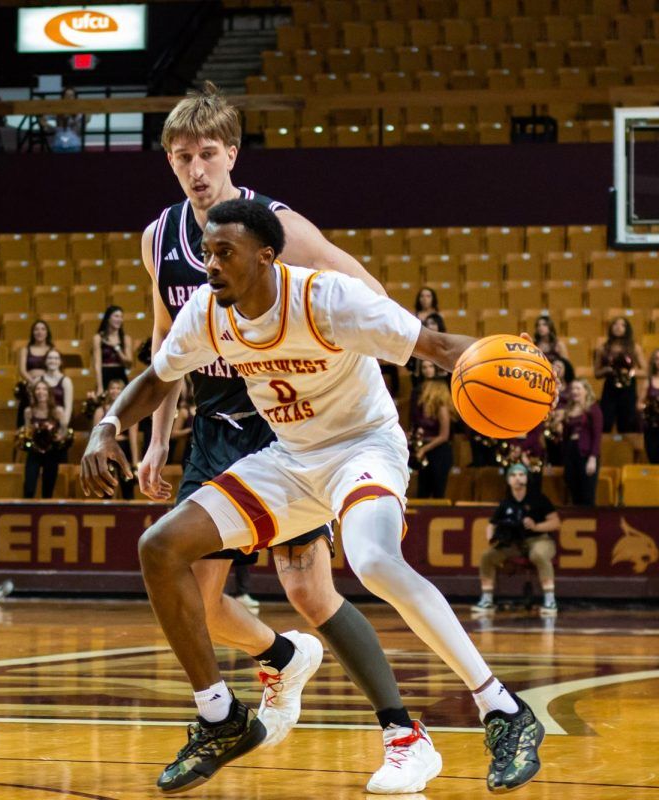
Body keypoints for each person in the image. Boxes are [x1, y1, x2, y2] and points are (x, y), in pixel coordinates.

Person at [83, 200, 543, 795]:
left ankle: (503, 710)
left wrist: (516, 370)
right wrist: (107, 427)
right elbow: (159, 377)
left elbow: (439, 348)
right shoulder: (207, 313)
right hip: (292, 459)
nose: (210, 265)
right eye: (206, 252)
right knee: (160, 546)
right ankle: (220, 716)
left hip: (363, 448)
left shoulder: (328, 300)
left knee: (374, 561)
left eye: (225, 253)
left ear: (267, 256)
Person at [134, 85, 439, 793]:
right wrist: (155, 438)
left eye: (209, 153)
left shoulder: (277, 225)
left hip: (287, 418)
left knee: (307, 586)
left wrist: (368, 391)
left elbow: (359, 287)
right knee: (200, 601)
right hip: (213, 422)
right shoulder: (159, 237)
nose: (197, 168)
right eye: (183, 156)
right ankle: (282, 657)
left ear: (232, 153)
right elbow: (160, 341)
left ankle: (400, 729)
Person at [472, 464, 560, 617]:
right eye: (513, 475)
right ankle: (486, 600)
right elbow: (491, 525)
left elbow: (556, 522)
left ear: (526, 478)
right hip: (515, 542)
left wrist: (536, 526)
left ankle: (550, 600)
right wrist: (491, 537)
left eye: (521, 474)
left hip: (539, 539)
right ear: (508, 480)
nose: (517, 478)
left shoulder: (538, 498)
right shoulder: (506, 503)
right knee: (488, 556)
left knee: (538, 555)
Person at [594, 316, 645, 433]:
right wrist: (607, 370)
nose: (618, 327)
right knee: (605, 423)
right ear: (611, 328)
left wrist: (630, 372)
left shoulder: (634, 347)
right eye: (615, 324)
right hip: (610, 388)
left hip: (628, 388)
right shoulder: (603, 348)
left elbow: (645, 371)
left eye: (622, 325)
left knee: (627, 424)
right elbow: (596, 373)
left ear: (627, 329)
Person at [410, 361, 453, 499]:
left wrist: (423, 449)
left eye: (430, 367)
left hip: (438, 451)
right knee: (422, 493)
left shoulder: (440, 399)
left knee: (438, 494)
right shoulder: (417, 393)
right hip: (424, 447)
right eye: (424, 367)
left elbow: (444, 436)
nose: (427, 370)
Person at [21, 380, 69, 499]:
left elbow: (65, 431)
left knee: (47, 491)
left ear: (48, 393)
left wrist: (60, 437)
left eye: (44, 389)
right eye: (38, 389)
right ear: (34, 392)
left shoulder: (57, 411)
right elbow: (27, 431)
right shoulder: (28, 411)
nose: (40, 392)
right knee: (29, 488)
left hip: (51, 452)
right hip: (34, 452)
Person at [92, 377, 138, 499]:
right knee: (106, 488)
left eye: (118, 388)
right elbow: (95, 437)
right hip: (105, 449)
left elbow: (133, 438)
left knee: (128, 488)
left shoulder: (130, 411)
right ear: (108, 391)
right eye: (112, 388)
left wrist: (134, 463)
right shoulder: (100, 411)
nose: (115, 391)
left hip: (124, 448)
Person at [562, 379, 602, 506]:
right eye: (573, 389)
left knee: (587, 494)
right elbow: (565, 435)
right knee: (574, 491)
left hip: (586, 453)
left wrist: (593, 458)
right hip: (571, 452)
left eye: (578, 388)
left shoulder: (593, 408)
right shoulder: (569, 409)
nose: (574, 391)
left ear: (586, 391)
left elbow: (597, 435)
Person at [92, 305, 133, 395]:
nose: (119, 319)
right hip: (105, 373)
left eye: (121, 317)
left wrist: (117, 349)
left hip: (120, 375)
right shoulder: (98, 338)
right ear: (108, 318)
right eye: (116, 316)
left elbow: (129, 364)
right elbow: (97, 364)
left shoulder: (125, 338)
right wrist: (100, 386)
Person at [37, 348, 72, 428]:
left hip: (60, 421)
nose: (53, 361)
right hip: (42, 420)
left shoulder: (66, 381)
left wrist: (64, 426)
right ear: (45, 361)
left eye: (56, 358)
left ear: (60, 362)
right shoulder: (38, 380)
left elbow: (68, 407)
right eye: (50, 358)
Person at [48, 86, 84, 153]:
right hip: (58, 144)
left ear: (75, 97)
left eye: (71, 95)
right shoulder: (57, 110)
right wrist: (53, 128)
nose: (69, 98)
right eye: (66, 95)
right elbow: (42, 119)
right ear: (63, 97)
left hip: (74, 145)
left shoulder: (79, 111)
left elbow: (84, 123)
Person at [17, 319, 52, 384]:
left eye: (43, 329)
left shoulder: (52, 350)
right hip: (29, 383)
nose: (39, 332)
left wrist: (45, 385)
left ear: (47, 333)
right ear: (32, 333)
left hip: (48, 385)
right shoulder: (24, 350)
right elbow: (22, 371)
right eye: (36, 329)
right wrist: (34, 383)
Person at [641, 349, 659, 463]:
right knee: (654, 458)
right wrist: (650, 405)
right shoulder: (648, 381)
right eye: (657, 359)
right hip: (652, 426)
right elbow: (639, 404)